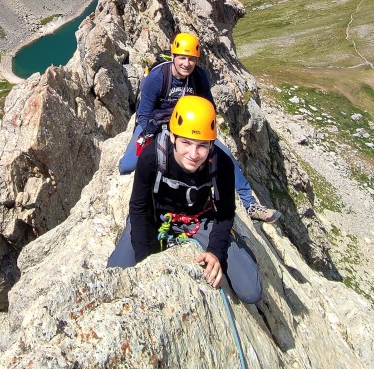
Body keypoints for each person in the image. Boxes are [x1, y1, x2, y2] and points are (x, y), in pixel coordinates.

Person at [108, 95, 263, 304]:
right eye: (186, 143)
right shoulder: (152, 157)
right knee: (115, 278)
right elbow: (137, 208)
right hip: (154, 218)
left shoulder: (221, 164)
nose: (193, 153)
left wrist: (216, 252)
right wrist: (145, 259)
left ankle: (239, 247)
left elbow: (225, 213)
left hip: (200, 221)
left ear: (211, 143)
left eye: (202, 145)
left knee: (250, 293)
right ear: (172, 137)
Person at [119, 32, 280, 224]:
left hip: (190, 126)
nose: (186, 63)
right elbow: (144, 114)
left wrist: (206, 135)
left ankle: (250, 204)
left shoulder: (199, 77)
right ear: (173, 57)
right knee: (127, 166)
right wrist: (151, 136)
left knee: (225, 156)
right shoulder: (157, 77)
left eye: (191, 59)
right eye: (182, 58)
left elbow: (208, 108)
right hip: (158, 123)